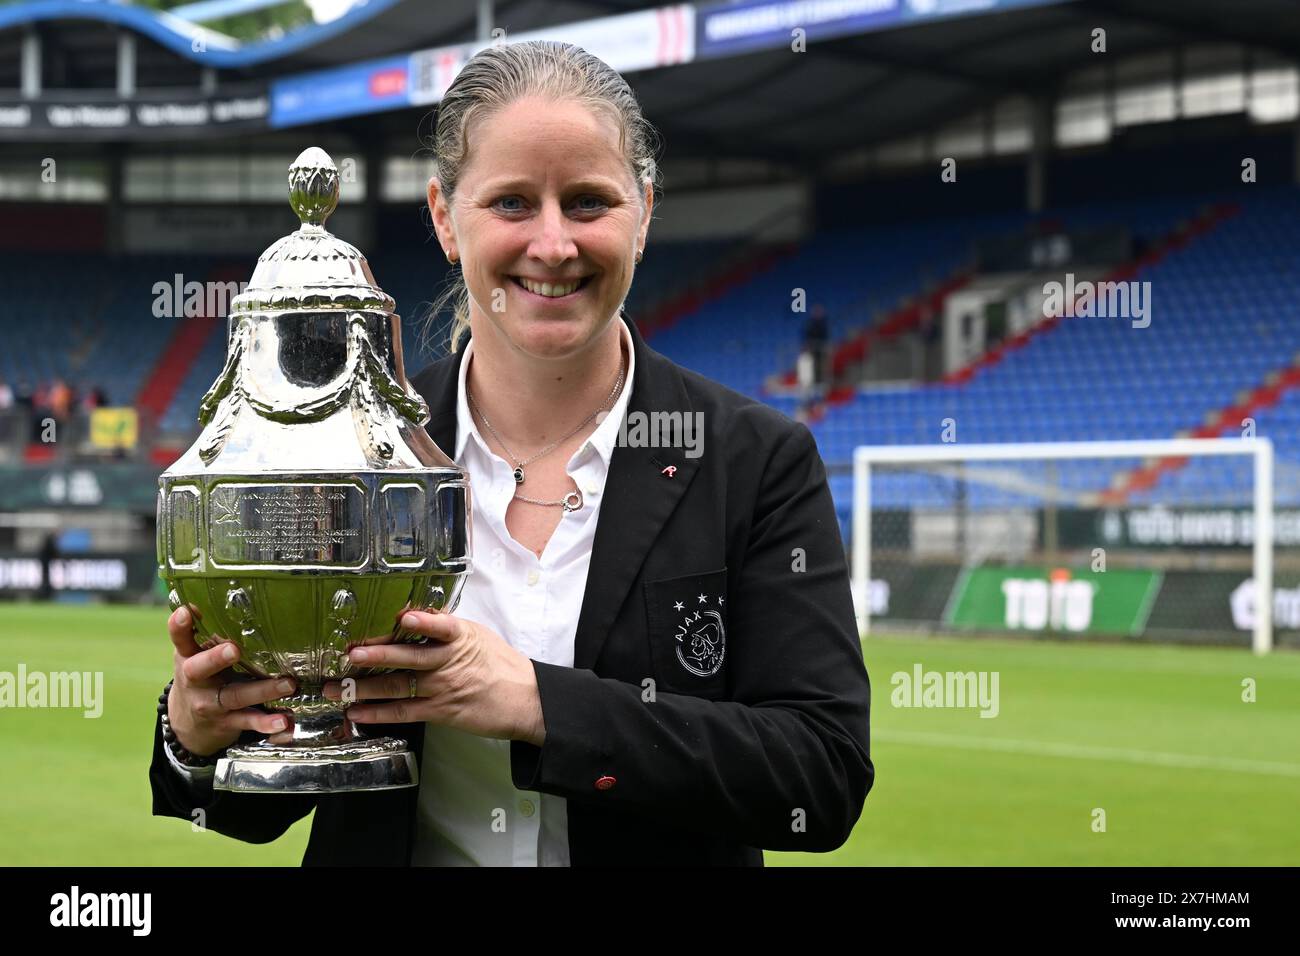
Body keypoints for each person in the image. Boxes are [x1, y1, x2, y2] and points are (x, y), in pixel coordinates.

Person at [149, 40, 872, 867]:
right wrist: (196, 733)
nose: (554, 244)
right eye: (514, 203)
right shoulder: (352, 461)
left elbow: (820, 778)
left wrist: (537, 703)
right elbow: (258, 798)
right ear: (444, 219)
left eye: (590, 202)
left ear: (644, 210)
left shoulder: (754, 460)